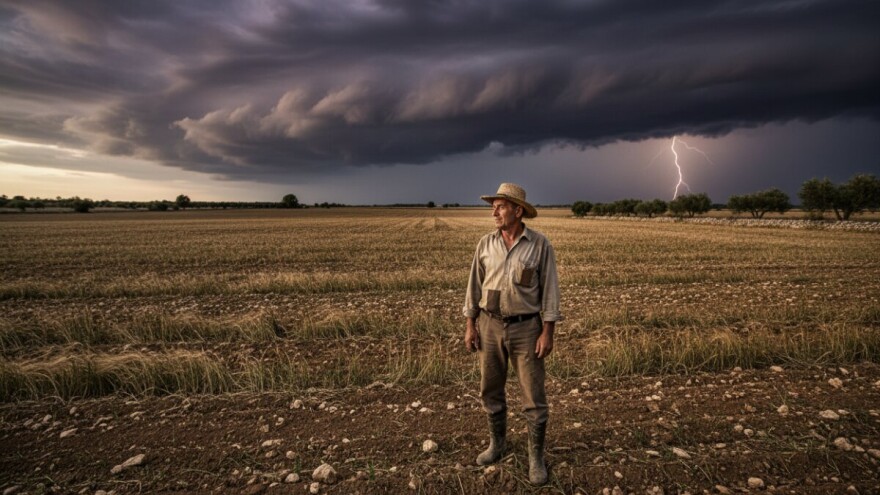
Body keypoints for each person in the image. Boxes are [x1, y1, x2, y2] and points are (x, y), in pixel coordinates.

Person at [463, 182, 563, 485]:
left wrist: (548, 332)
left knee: (534, 396)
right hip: (490, 326)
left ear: (517, 211)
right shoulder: (485, 243)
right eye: (493, 205)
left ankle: (535, 457)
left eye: (501, 206)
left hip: (527, 329)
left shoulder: (540, 244)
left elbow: (550, 291)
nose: (494, 211)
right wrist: (471, 325)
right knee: (490, 390)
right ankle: (498, 444)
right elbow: (474, 287)